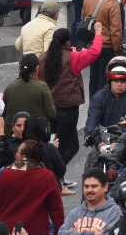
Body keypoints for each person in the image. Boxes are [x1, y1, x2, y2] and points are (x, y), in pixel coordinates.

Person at [41, 24, 105, 164]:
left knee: (59, 143)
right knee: (62, 148)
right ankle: (55, 176)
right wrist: (98, 32)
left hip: (49, 109)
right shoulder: (72, 58)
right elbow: (94, 52)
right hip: (68, 110)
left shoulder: (43, 58)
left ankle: (57, 175)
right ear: (68, 41)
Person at [4, 54, 57, 126]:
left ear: (20, 67)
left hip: (12, 132)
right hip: (34, 132)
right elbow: (51, 113)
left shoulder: (10, 87)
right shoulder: (42, 87)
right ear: (37, 68)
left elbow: (3, 111)